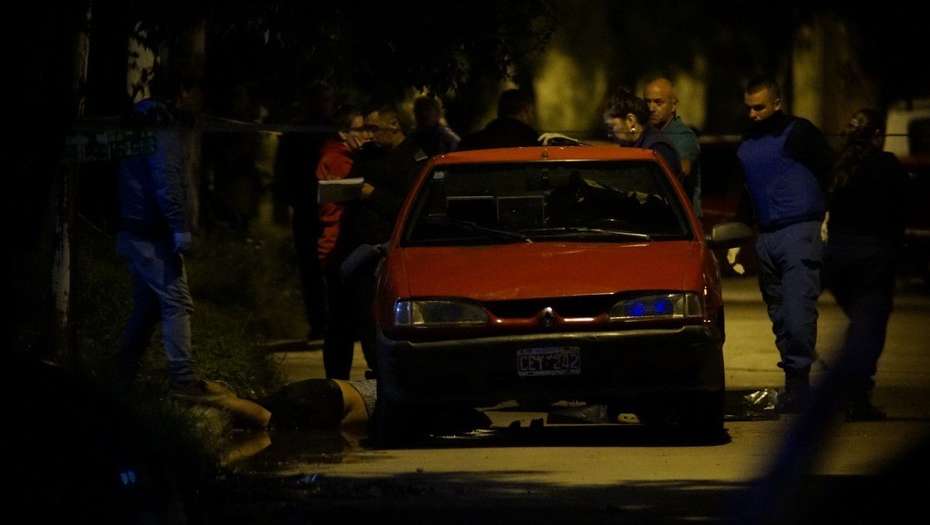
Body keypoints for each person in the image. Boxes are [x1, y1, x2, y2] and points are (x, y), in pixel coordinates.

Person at [736, 76, 833, 413]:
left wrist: (828, 215)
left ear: (777, 103)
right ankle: (795, 383)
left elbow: (831, 171)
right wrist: (739, 236)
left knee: (797, 313)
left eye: (759, 107)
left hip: (798, 232)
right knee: (780, 315)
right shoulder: (748, 141)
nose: (752, 114)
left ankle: (799, 384)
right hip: (767, 236)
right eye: (749, 108)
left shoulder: (799, 132)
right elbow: (746, 192)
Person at [113, 84, 209, 397]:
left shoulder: (144, 119)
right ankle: (182, 379)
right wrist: (180, 226)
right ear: (182, 93)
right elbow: (167, 179)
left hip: (136, 225)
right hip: (149, 231)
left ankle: (120, 376)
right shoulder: (162, 123)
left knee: (149, 306)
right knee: (177, 301)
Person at [825, 108, 908, 420]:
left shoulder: (838, 166)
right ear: (877, 135)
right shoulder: (887, 166)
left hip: (838, 259)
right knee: (870, 329)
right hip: (872, 259)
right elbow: (901, 209)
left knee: (861, 325)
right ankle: (854, 395)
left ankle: (849, 391)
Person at [273, 82, 336, 341]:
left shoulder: (333, 130)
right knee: (312, 267)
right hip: (309, 207)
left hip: (327, 208)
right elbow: (283, 171)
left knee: (328, 266)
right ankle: (321, 322)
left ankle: (330, 322)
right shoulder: (299, 131)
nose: (323, 104)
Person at [316, 106, 372, 379]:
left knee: (342, 321)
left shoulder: (343, 156)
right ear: (343, 132)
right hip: (337, 245)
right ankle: (338, 380)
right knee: (342, 321)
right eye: (361, 129)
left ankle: (338, 379)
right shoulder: (339, 160)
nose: (366, 135)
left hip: (338, 245)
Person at [643, 77, 702, 214]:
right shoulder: (648, 133)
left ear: (673, 105)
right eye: (647, 102)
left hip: (681, 218)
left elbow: (680, 172)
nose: (651, 108)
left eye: (658, 102)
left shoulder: (683, 136)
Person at [603, 88, 682, 177]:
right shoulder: (634, 145)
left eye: (612, 127)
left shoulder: (657, 149)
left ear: (630, 120)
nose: (609, 134)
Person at [458, 89, 539, 150]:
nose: (532, 117)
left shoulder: (470, 143)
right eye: (531, 112)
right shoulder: (533, 142)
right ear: (525, 110)